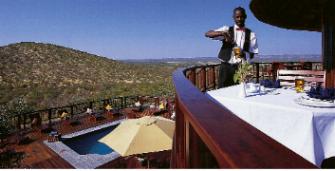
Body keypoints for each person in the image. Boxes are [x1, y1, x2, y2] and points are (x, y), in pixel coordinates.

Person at [205, 6, 258, 88]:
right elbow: (208, 34)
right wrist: (222, 33)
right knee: (221, 91)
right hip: (225, 67)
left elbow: (251, 54)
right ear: (233, 18)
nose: (239, 19)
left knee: (238, 91)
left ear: (245, 17)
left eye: (241, 17)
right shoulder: (226, 29)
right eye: (237, 17)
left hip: (239, 68)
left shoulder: (251, 34)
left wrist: (233, 44)